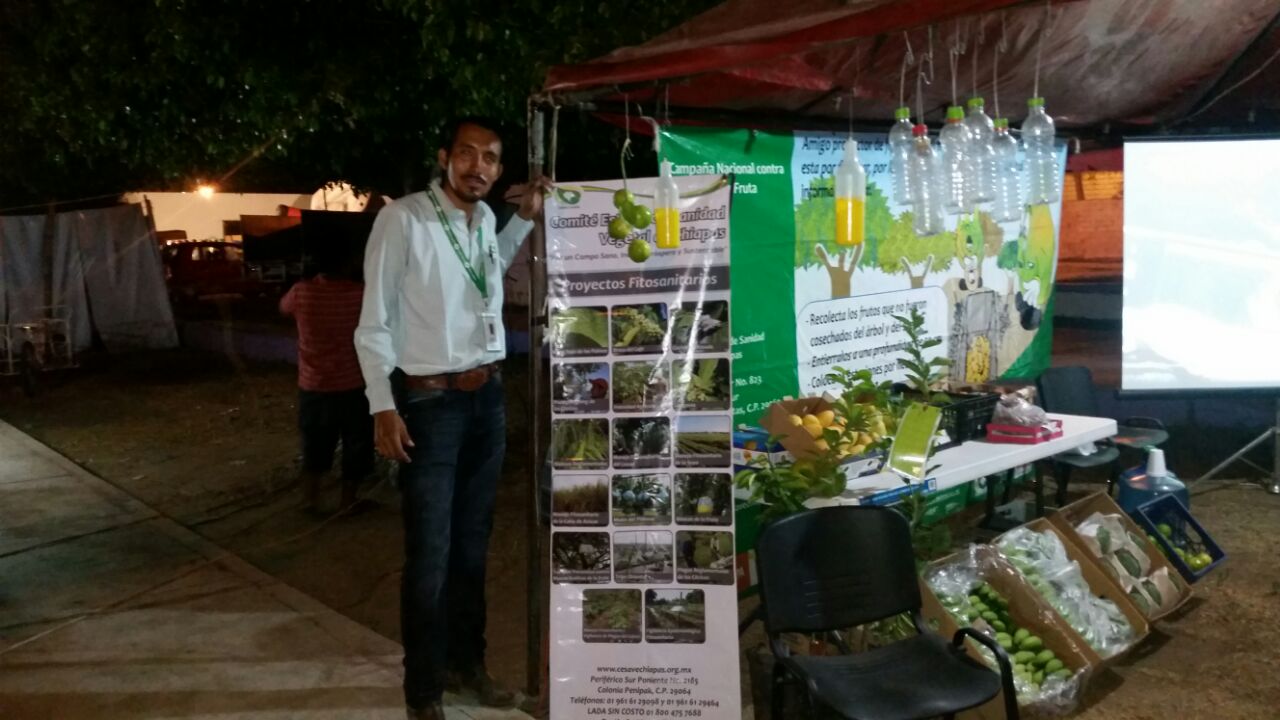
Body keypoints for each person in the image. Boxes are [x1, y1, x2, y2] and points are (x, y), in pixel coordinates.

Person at [354, 116, 547, 720]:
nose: (477, 167)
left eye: (489, 158)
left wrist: (525, 219)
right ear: (444, 158)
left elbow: (488, 266)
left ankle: (469, 667)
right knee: (431, 553)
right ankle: (425, 691)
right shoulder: (403, 219)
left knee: (472, 547)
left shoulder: (484, 219)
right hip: (430, 404)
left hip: (486, 398)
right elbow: (373, 320)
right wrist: (382, 405)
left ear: (499, 169)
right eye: (467, 153)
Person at [279, 253, 372, 513]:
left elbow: (283, 308)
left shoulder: (301, 292)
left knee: (315, 442)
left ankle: (311, 500)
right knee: (356, 443)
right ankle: (348, 500)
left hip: (314, 384)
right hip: (353, 382)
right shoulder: (361, 294)